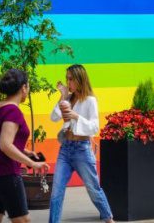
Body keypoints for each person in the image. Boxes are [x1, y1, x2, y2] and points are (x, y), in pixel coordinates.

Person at [0, 69, 49, 223]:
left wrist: (26, 152)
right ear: (23, 88)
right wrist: (31, 163)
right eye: (28, 87)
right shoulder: (13, 111)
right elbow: (5, 145)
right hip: (5, 173)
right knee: (23, 220)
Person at [49, 64, 114, 223]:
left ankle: (109, 219)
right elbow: (54, 117)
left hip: (82, 150)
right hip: (65, 149)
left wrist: (76, 116)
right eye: (67, 79)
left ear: (79, 79)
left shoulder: (90, 100)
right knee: (56, 192)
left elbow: (94, 127)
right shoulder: (68, 99)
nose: (68, 82)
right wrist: (63, 96)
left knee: (94, 190)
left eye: (70, 79)